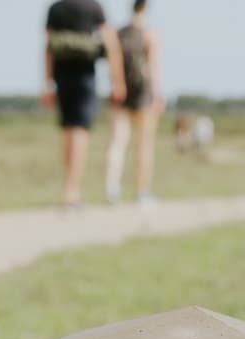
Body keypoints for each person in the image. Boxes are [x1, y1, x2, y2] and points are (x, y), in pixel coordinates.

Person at [43, 0, 126, 207]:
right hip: (85, 76)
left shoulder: (56, 8)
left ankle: (68, 189)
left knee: (68, 130)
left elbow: (48, 47)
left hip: (61, 77)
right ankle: (73, 190)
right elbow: (111, 43)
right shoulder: (93, 7)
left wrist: (47, 84)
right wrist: (117, 80)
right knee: (80, 131)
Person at [104, 0, 164, 203]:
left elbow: (112, 62)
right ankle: (142, 191)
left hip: (119, 92)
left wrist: (116, 85)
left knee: (117, 141)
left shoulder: (118, 33)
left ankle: (112, 187)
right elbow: (153, 66)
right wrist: (157, 94)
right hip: (143, 93)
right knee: (143, 144)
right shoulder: (149, 34)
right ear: (145, 8)